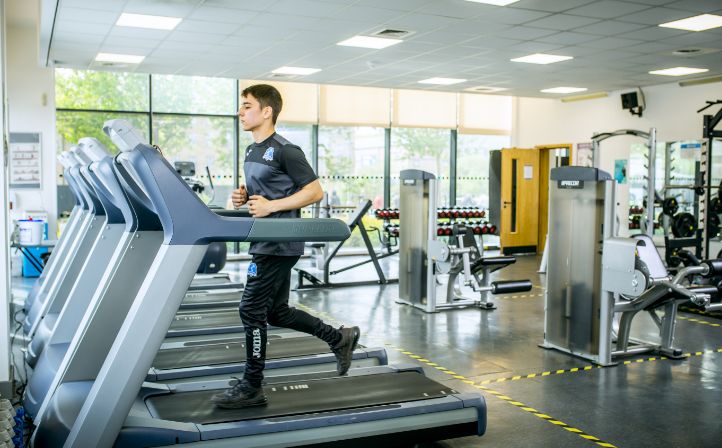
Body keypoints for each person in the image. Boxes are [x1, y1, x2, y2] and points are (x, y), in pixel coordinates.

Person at [210, 84, 360, 409]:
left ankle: (252, 385)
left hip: (279, 244)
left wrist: (272, 207)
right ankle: (339, 338)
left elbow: (314, 191)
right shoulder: (252, 151)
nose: (241, 112)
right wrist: (243, 197)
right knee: (275, 312)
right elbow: (264, 195)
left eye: (247, 106)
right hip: (264, 241)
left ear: (267, 111)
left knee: (250, 310)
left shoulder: (286, 150)